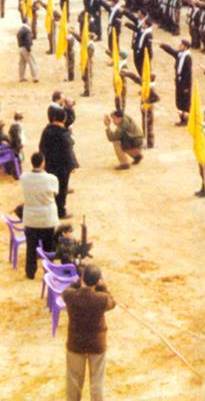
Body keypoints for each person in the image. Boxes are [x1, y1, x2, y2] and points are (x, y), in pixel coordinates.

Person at [62, 265, 115, 401]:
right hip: (97, 344)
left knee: (73, 380)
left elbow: (67, 290)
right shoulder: (102, 299)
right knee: (97, 381)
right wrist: (102, 286)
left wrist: (79, 282)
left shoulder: (70, 296)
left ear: (82, 278)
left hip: (76, 343)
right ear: (97, 281)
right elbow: (112, 302)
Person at [20, 151, 59, 279]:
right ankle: (49, 272)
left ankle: (30, 272)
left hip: (31, 219)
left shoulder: (24, 178)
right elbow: (55, 193)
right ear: (43, 163)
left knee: (31, 247)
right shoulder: (52, 179)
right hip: (47, 218)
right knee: (49, 247)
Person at [39, 106, 77, 219]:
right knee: (62, 189)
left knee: (51, 188)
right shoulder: (63, 133)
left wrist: (44, 162)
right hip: (62, 167)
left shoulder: (46, 130)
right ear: (64, 119)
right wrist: (72, 165)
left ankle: (50, 209)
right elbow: (68, 149)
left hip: (50, 164)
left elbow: (41, 147)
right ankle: (60, 211)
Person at [160, 39, 192, 126]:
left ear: (185, 47)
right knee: (179, 102)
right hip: (179, 81)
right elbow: (172, 51)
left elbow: (188, 74)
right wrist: (163, 45)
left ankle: (186, 120)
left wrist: (186, 87)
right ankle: (182, 118)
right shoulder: (180, 54)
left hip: (184, 84)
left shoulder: (188, 58)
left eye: (181, 45)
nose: (179, 46)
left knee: (185, 103)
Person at [17, 17, 39, 82]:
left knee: (22, 63)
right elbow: (28, 40)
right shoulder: (27, 30)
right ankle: (35, 77)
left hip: (21, 47)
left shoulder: (20, 29)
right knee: (32, 62)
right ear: (26, 22)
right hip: (26, 48)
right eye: (29, 21)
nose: (30, 22)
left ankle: (21, 77)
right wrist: (29, 49)